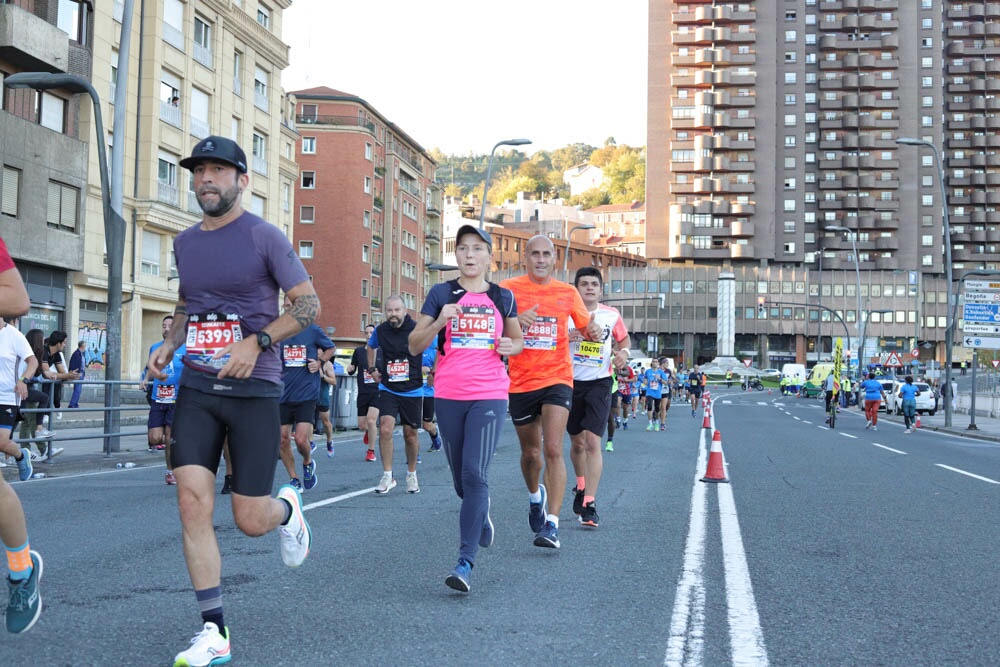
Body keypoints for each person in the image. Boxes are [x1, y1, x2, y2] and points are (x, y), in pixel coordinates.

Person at [147, 136, 315, 666]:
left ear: (242, 180)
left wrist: (258, 340)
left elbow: (308, 306)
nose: (206, 180)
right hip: (197, 386)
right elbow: (185, 301)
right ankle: (214, 629)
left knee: (248, 518)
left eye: (219, 171)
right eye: (199, 172)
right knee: (192, 500)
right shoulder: (185, 242)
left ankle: (287, 509)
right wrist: (171, 343)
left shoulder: (264, 236)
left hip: (254, 389)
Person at [408, 224, 522, 592]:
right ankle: (480, 511)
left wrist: (510, 347)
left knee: (475, 475)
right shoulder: (441, 293)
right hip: (448, 394)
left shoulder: (503, 298)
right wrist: (441, 320)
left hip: (489, 393)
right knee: (461, 481)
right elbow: (413, 345)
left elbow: (517, 340)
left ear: (489, 257)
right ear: (455, 255)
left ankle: (464, 563)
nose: (469, 255)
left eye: (477, 249)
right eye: (462, 249)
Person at [500, 235, 601, 549]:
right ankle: (535, 497)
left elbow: (587, 329)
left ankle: (552, 524)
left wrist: (593, 331)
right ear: (526, 258)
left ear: (555, 260)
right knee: (531, 454)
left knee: (554, 448)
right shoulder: (507, 290)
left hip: (558, 378)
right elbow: (494, 331)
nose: (541, 260)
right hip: (520, 381)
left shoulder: (567, 292)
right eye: (535, 254)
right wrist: (514, 322)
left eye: (546, 255)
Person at [0, 236, 43, 634]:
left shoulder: (11, 333)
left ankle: (20, 571)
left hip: (5, 400)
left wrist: (23, 381)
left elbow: (18, 298)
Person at [567, 267, 630, 529]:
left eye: (594, 284)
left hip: (600, 383)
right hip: (569, 382)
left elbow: (625, 341)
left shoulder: (610, 315)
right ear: (576, 288)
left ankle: (590, 504)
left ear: (601, 289)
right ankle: (581, 486)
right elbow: (551, 341)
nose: (590, 288)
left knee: (593, 441)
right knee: (577, 443)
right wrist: (567, 336)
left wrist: (623, 354)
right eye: (584, 284)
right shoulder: (566, 313)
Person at [367, 296, 424, 495]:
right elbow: (370, 346)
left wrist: (433, 371)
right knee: (384, 429)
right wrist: (372, 369)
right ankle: (387, 475)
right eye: (389, 310)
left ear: (405, 310)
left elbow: (435, 349)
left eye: (397, 310)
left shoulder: (416, 328)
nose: (393, 314)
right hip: (388, 387)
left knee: (410, 434)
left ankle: (411, 474)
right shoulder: (381, 331)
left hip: (413, 389)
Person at [277, 302, 334, 492]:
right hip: (283, 394)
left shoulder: (312, 330)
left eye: (293, 304)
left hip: (306, 393)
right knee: (282, 440)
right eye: (286, 303)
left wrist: (319, 363)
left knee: (301, 439)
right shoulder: (279, 331)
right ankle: (294, 478)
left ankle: (308, 462)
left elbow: (330, 349)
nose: (288, 306)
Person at [142, 315, 182, 485]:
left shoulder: (184, 348)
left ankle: (171, 471)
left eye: (169, 326)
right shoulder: (155, 348)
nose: (166, 328)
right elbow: (151, 367)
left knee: (169, 436)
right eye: (163, 325)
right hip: (158, 397)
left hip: (177, 399)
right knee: (155, 438)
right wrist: (145, 379)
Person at [348, 324, 380, 462]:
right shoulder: (359, 351)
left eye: (371, 333)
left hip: (377, 391)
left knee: (372, 420)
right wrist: (350, 369)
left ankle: (371, 452)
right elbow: (352, 368)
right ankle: (368, 431)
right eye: (366, 333)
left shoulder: (381, 351)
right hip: (363, 392)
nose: (368, 335)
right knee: (362, 425)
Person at [41, 331, 77, 420]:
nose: (65, 345)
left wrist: (69, 375)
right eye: (64, 343)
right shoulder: (43, 351)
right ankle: (43, 418)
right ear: (58, 343)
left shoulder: (56, 354)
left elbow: (62, 372)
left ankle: (44, 418)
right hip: (25, 382)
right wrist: (68, 376)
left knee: (53, 395)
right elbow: (47, 374)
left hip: (36, 382)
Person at [420, 344, 444, 453]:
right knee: (410, 424)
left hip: (429, 392)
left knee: (426, 425)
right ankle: (414, 454)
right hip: (413, 392)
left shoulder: (434, 347)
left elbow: (443, 366)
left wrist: (430, 370)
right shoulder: (412, 347)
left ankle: (435, 437)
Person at [314, 357, 337, 457]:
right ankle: (310, 443)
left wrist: (323, 377)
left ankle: (329, 441)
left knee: (325, 422)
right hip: (309, 395)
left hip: (322, 396)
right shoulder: (309, 360)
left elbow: (334, 381)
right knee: (308, 420)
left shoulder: (327, 364)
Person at [643, 359, 670, 431]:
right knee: (649, 406)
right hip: (649, 392)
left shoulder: (661, 372)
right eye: (653, 362)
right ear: (651, 363)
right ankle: (650, 423)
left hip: (658, 393)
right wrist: (645, 382)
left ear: (658, 363)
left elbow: (666, 382)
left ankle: (657, 422)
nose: (655, 363)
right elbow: (645, 380)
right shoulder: (648, 371)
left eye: (656, 362)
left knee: (657, 408)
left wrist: (660, 378)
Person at [67, 341, 86, 409]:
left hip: (81, 373)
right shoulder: (77, 353)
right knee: (77, 390)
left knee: (78, 389)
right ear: (82, 346)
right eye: (85, 345)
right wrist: (73, 372)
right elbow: (73, 363)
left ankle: (75, 404)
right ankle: (72, 404)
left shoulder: (81, 353)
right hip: (78, 374)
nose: (85, 347)